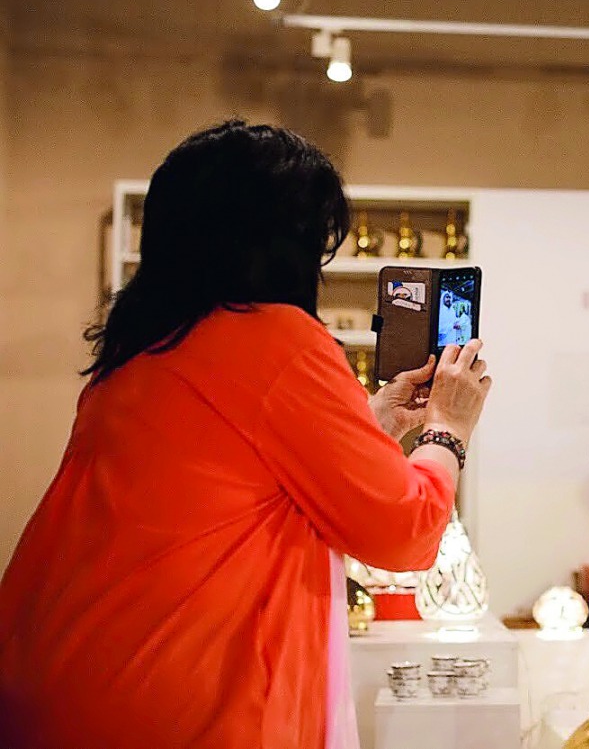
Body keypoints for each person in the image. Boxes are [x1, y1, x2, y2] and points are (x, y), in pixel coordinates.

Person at [0, 121, 492, 748]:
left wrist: (378, 422)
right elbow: (403, 531)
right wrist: (448, 428)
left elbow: (241, 481)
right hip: (184, 699)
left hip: (62, 678)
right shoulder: (277, 338)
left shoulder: (138, 351)